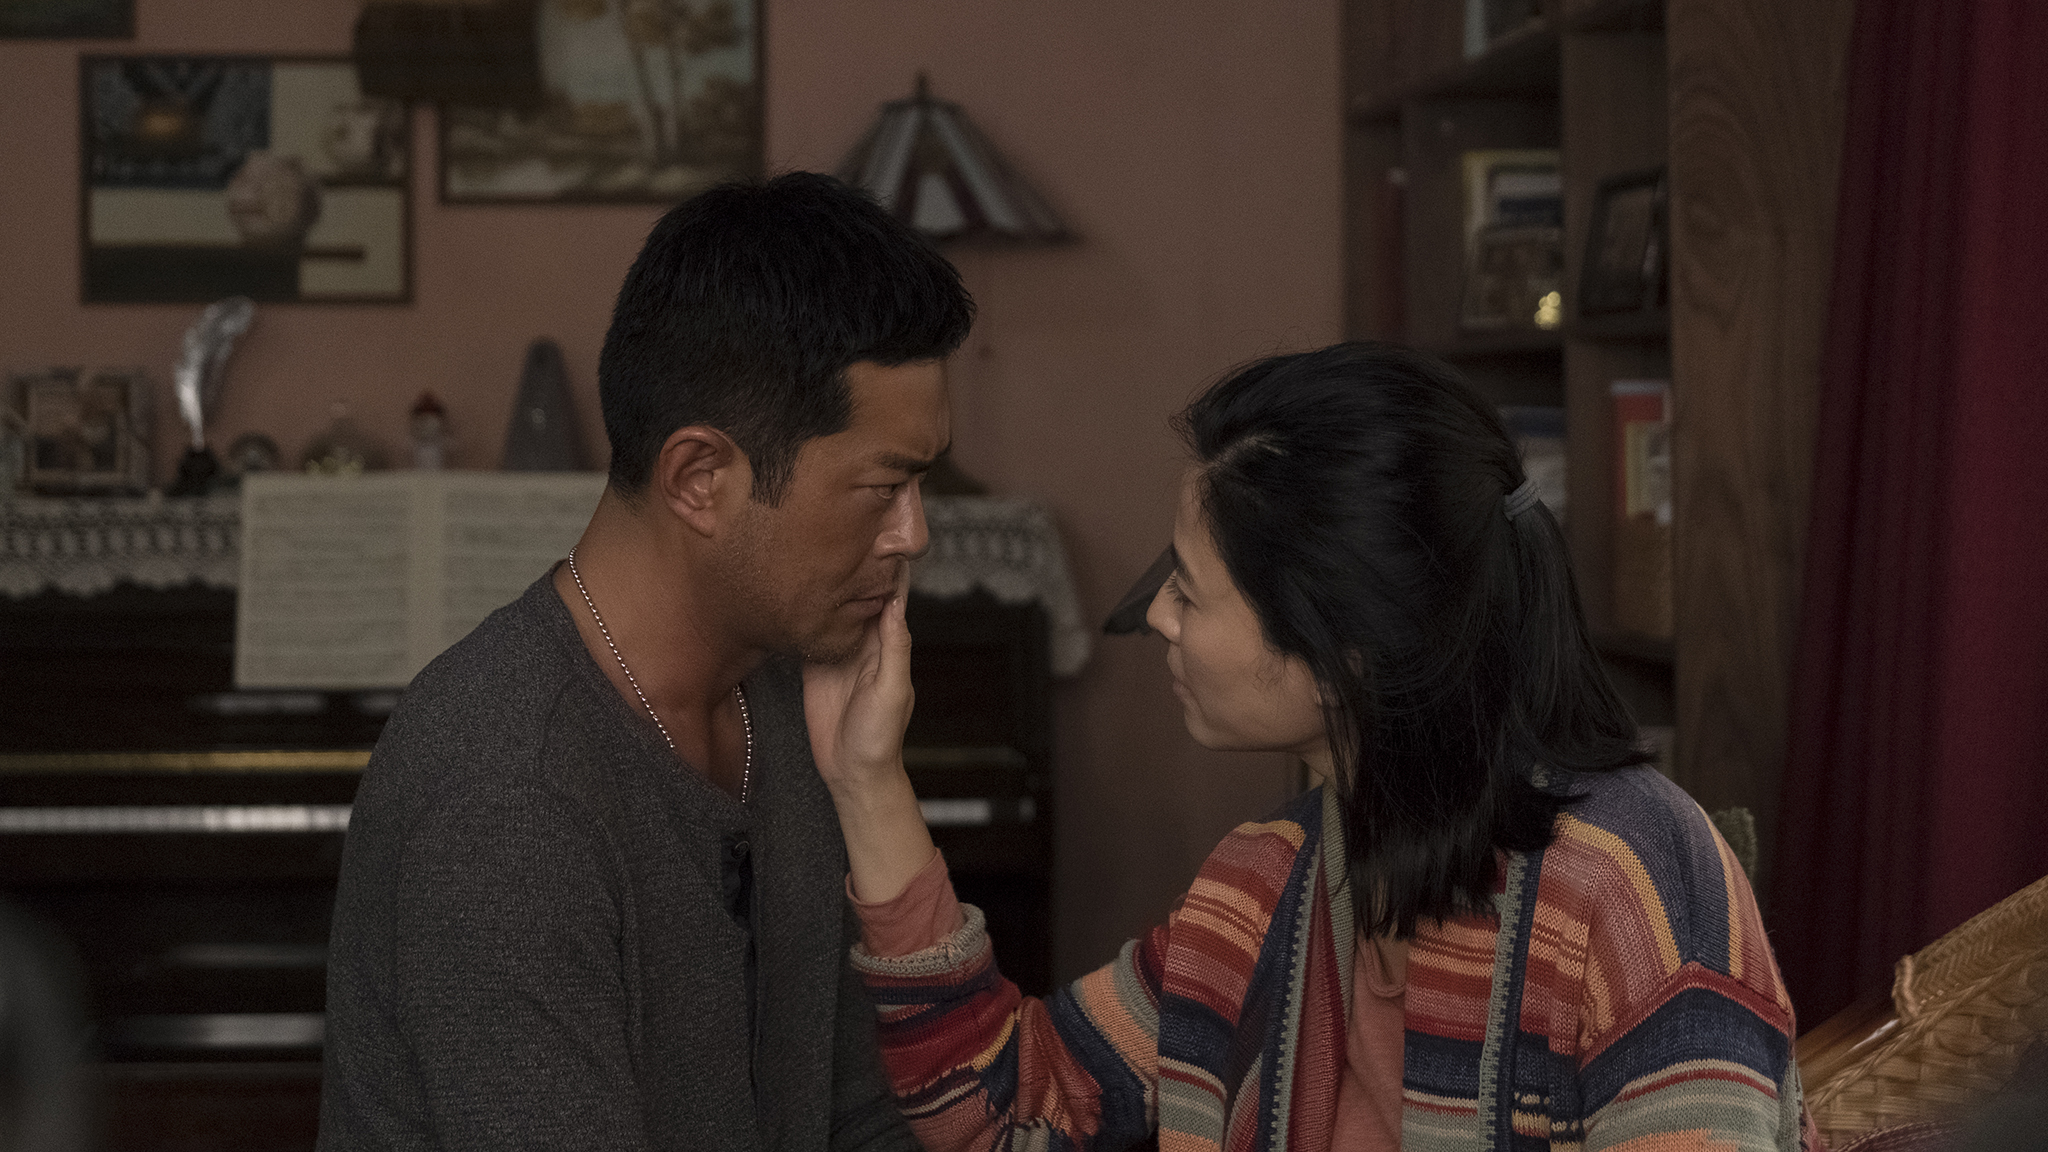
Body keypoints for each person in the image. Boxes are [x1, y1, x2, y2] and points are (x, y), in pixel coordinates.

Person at [806, 342, 1820, 1151]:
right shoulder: (1258, 889)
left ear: (1343, 655)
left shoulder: (1632, 884)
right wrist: (866, 779)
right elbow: (1004, 1111)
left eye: (1189, 590)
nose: (1156, 617)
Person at [318, 172, 972, 1150]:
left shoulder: (795, 699)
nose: (913, 535)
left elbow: (864, 1117)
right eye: (883, 488)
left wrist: (873, 787)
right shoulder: (507, 793)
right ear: (700, 478)